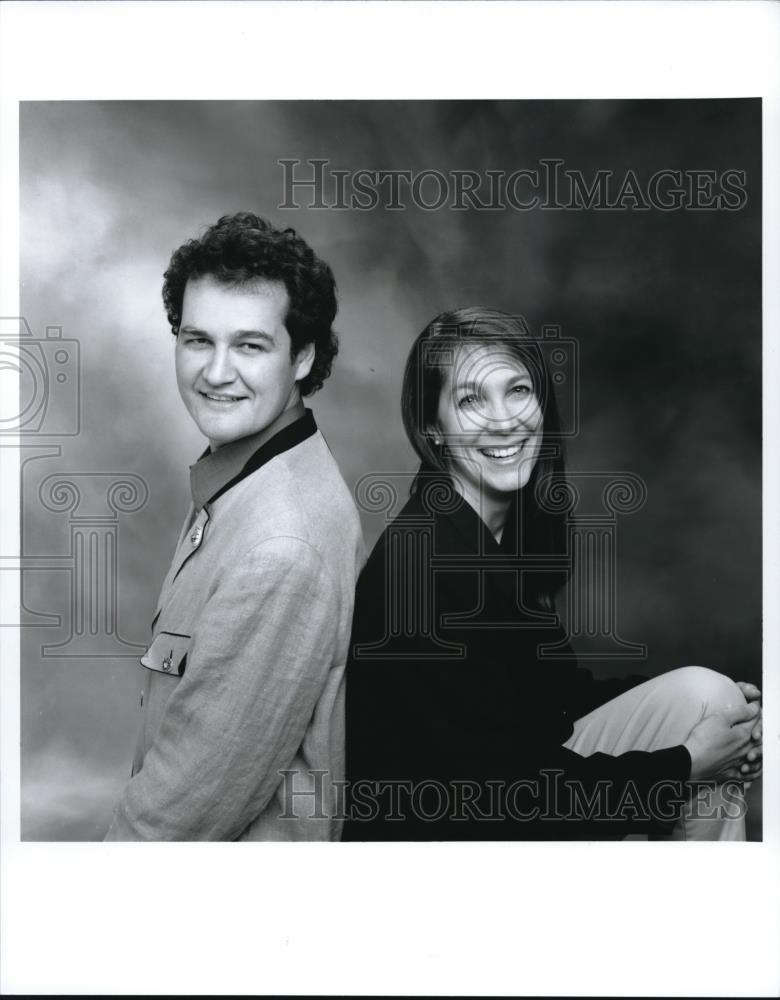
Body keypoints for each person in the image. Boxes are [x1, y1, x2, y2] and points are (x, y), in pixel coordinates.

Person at [343, 307, 762, 840]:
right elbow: (492, 794)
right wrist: (684, 763)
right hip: (444, 855)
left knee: (711, 703)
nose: (503, 419)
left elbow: (550, 701)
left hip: (507, 806)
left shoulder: (496, 536)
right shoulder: (421, 566)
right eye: (471, 400)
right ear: (434, 430)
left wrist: (722, 732)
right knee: (702, 725)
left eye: (517, 391)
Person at [105, 212, 364, 840]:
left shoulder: (281, 546)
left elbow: (180, 818)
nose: (215, 373)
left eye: (249, 345)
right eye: (198, 340)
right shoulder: (249, 475)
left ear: (302, 357)